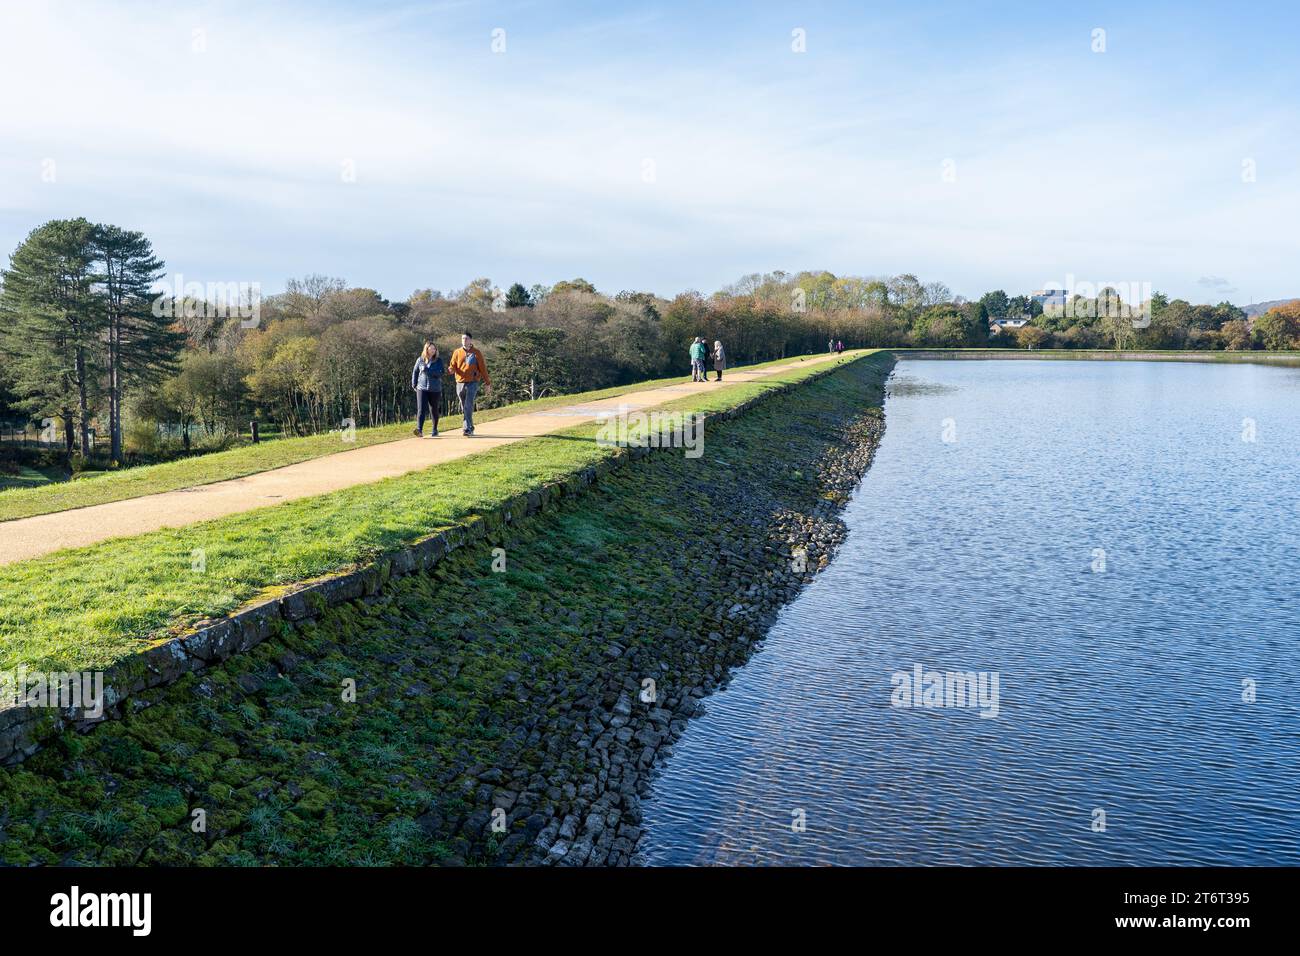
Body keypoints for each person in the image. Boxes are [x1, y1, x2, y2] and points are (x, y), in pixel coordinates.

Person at [448, 332, 491, 435]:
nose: (464, 340)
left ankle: (467, 429)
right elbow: (453, 365)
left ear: (471, 340)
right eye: (463, 338)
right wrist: (451, 369)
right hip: (460, 382)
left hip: (473, 382)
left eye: (466, 338)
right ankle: (470, 426)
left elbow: (483, 369)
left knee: (468, 405)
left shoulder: (477, 353)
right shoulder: (457, 352)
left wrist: (487, 383)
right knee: (464, 406)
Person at [411, 341, 445, 437]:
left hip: (435, 389)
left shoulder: (439, 361)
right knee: (421, 409)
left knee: (434, 409)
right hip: (422, 388)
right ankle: (419, 430)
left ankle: (435, 429)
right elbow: (415, 371)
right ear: (426, 349)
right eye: (431, 348)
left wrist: (428, 371)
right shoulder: (420, 359)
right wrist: (414, 384)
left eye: (434, 349)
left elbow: (440, 373)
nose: (433, 350)